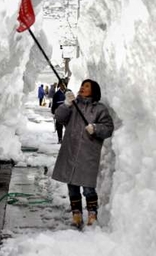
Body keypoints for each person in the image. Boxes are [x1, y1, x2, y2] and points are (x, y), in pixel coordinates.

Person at [52, 79, 114, 228]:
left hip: (88, 153)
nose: (82, 88)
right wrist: (66, 104)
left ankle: (92, 215)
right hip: (71, 150)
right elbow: (59, 118)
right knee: (72, 185)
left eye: (87, 86)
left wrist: (95, 128)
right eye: (82, 85)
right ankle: (77, 215)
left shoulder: (99, 109)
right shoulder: (73, 106)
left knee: (87, 187)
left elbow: (108, 128)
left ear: (94, 90)